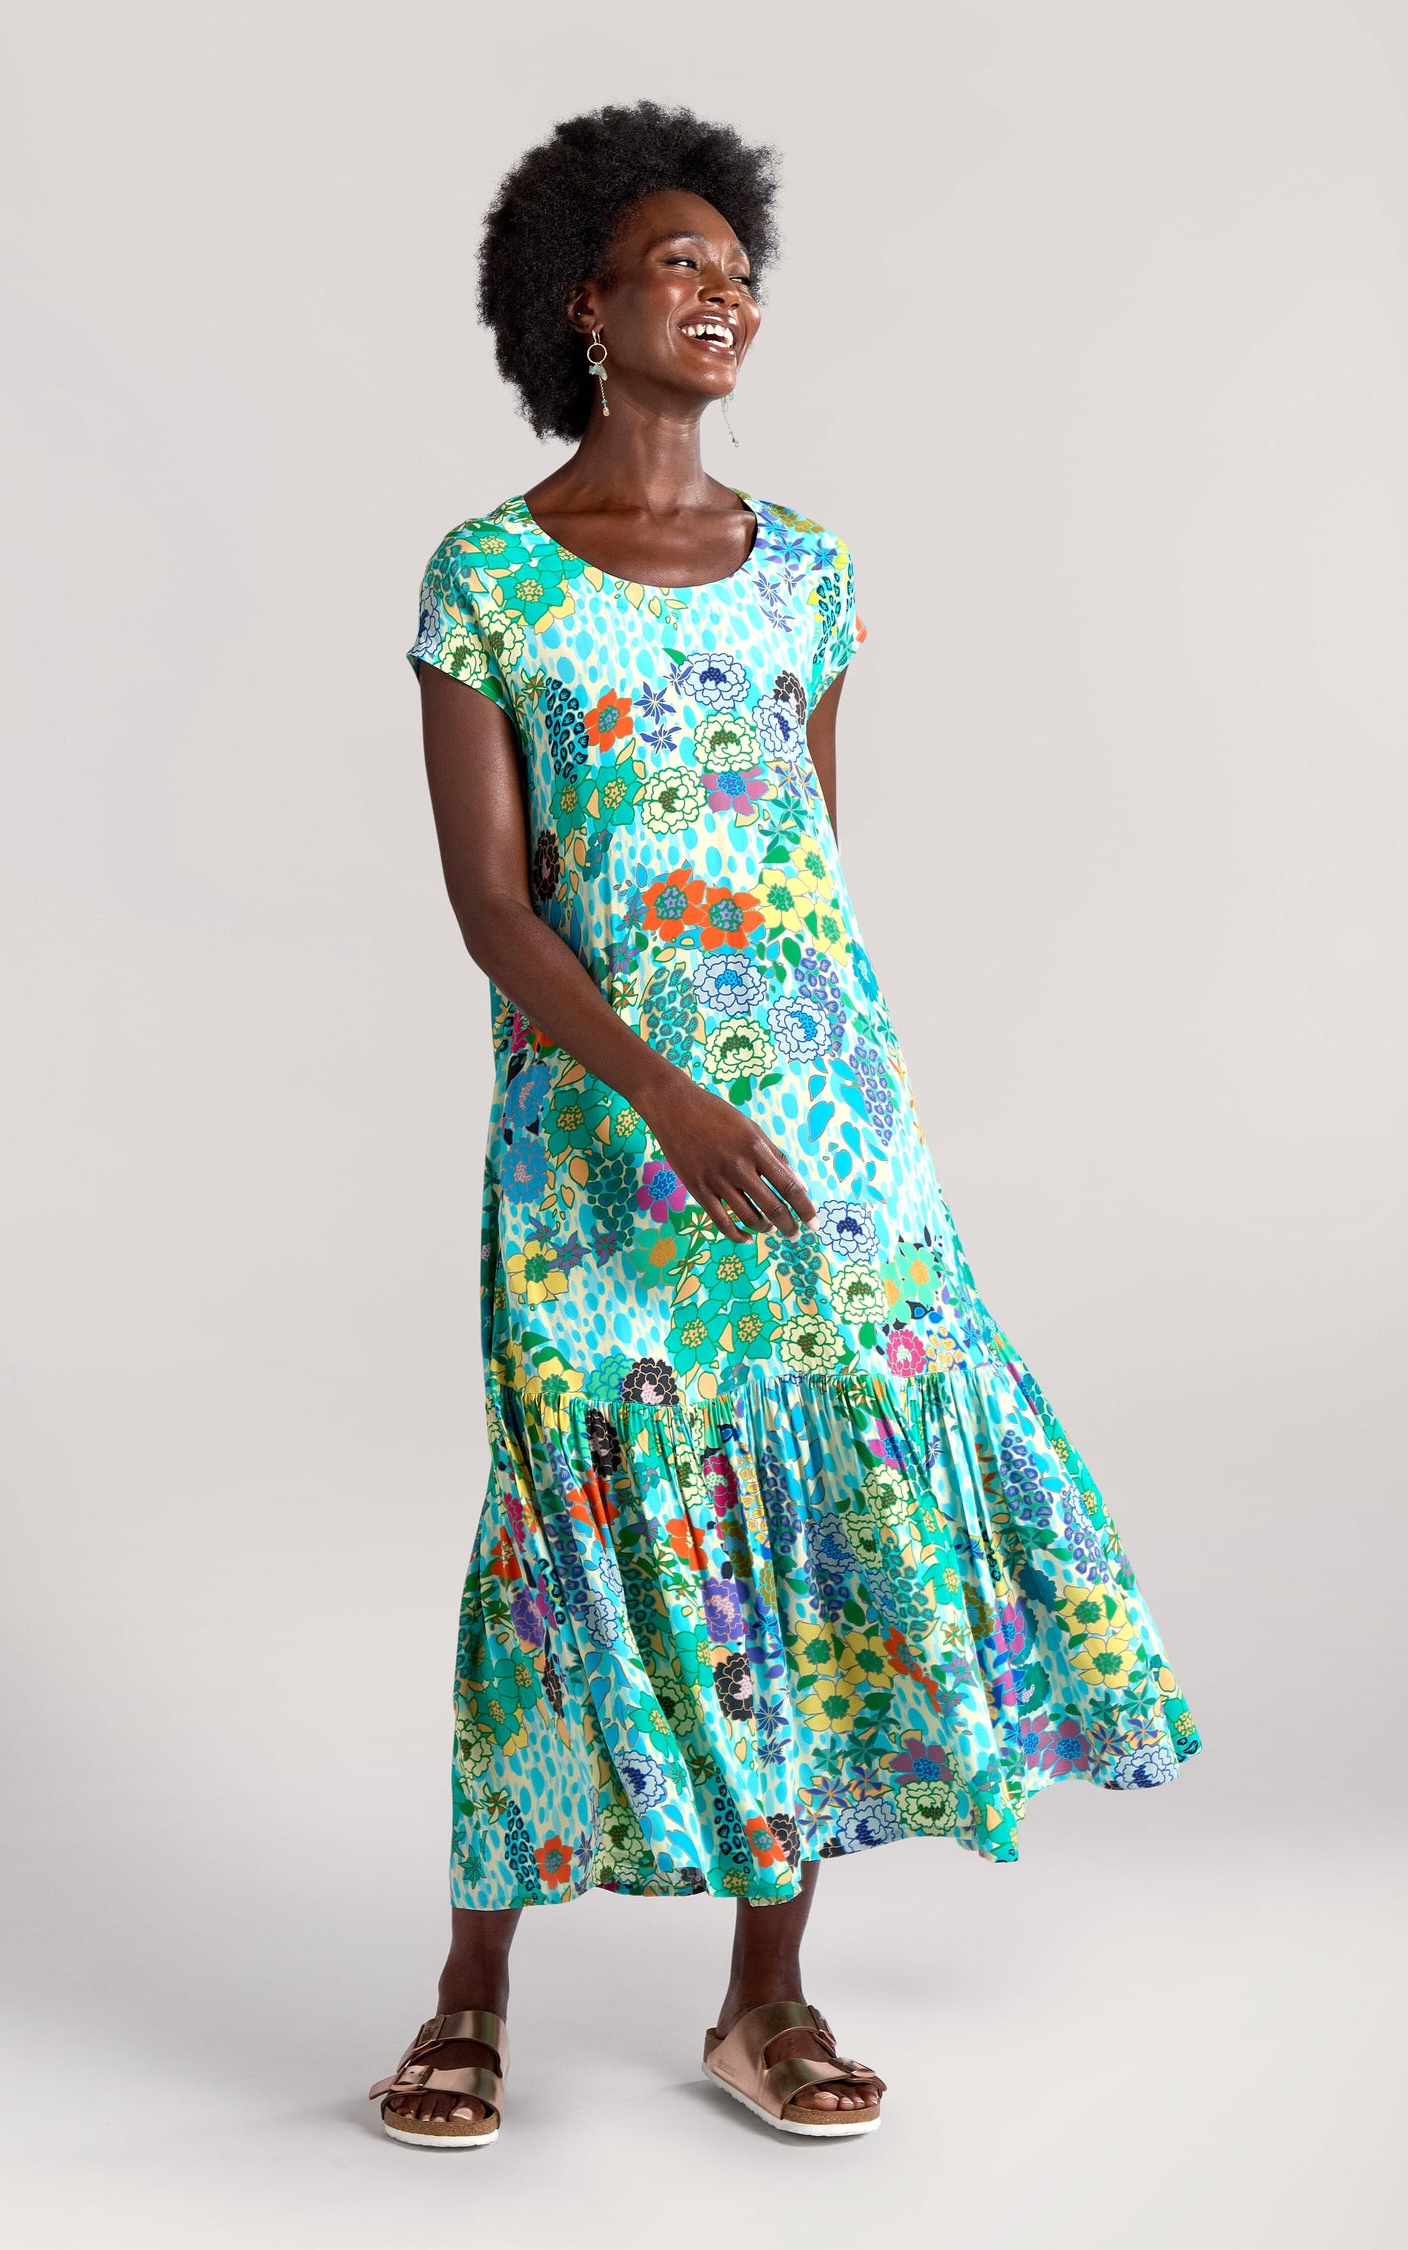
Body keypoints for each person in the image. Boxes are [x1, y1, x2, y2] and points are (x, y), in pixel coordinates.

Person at [369, 100, 1200, 2150]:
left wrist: (807, 1095)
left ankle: (768, 1996)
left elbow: (802, 853)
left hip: (827, 1132)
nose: (722, 292)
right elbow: (495, 902)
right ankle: (470, 1990)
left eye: (738, 269)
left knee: (820, 1514)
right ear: (585, 307)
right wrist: (660, 1091)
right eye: (678, 266)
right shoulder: (488, 577)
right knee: (573, 1513)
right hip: (603, 1135)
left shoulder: (805, 570)